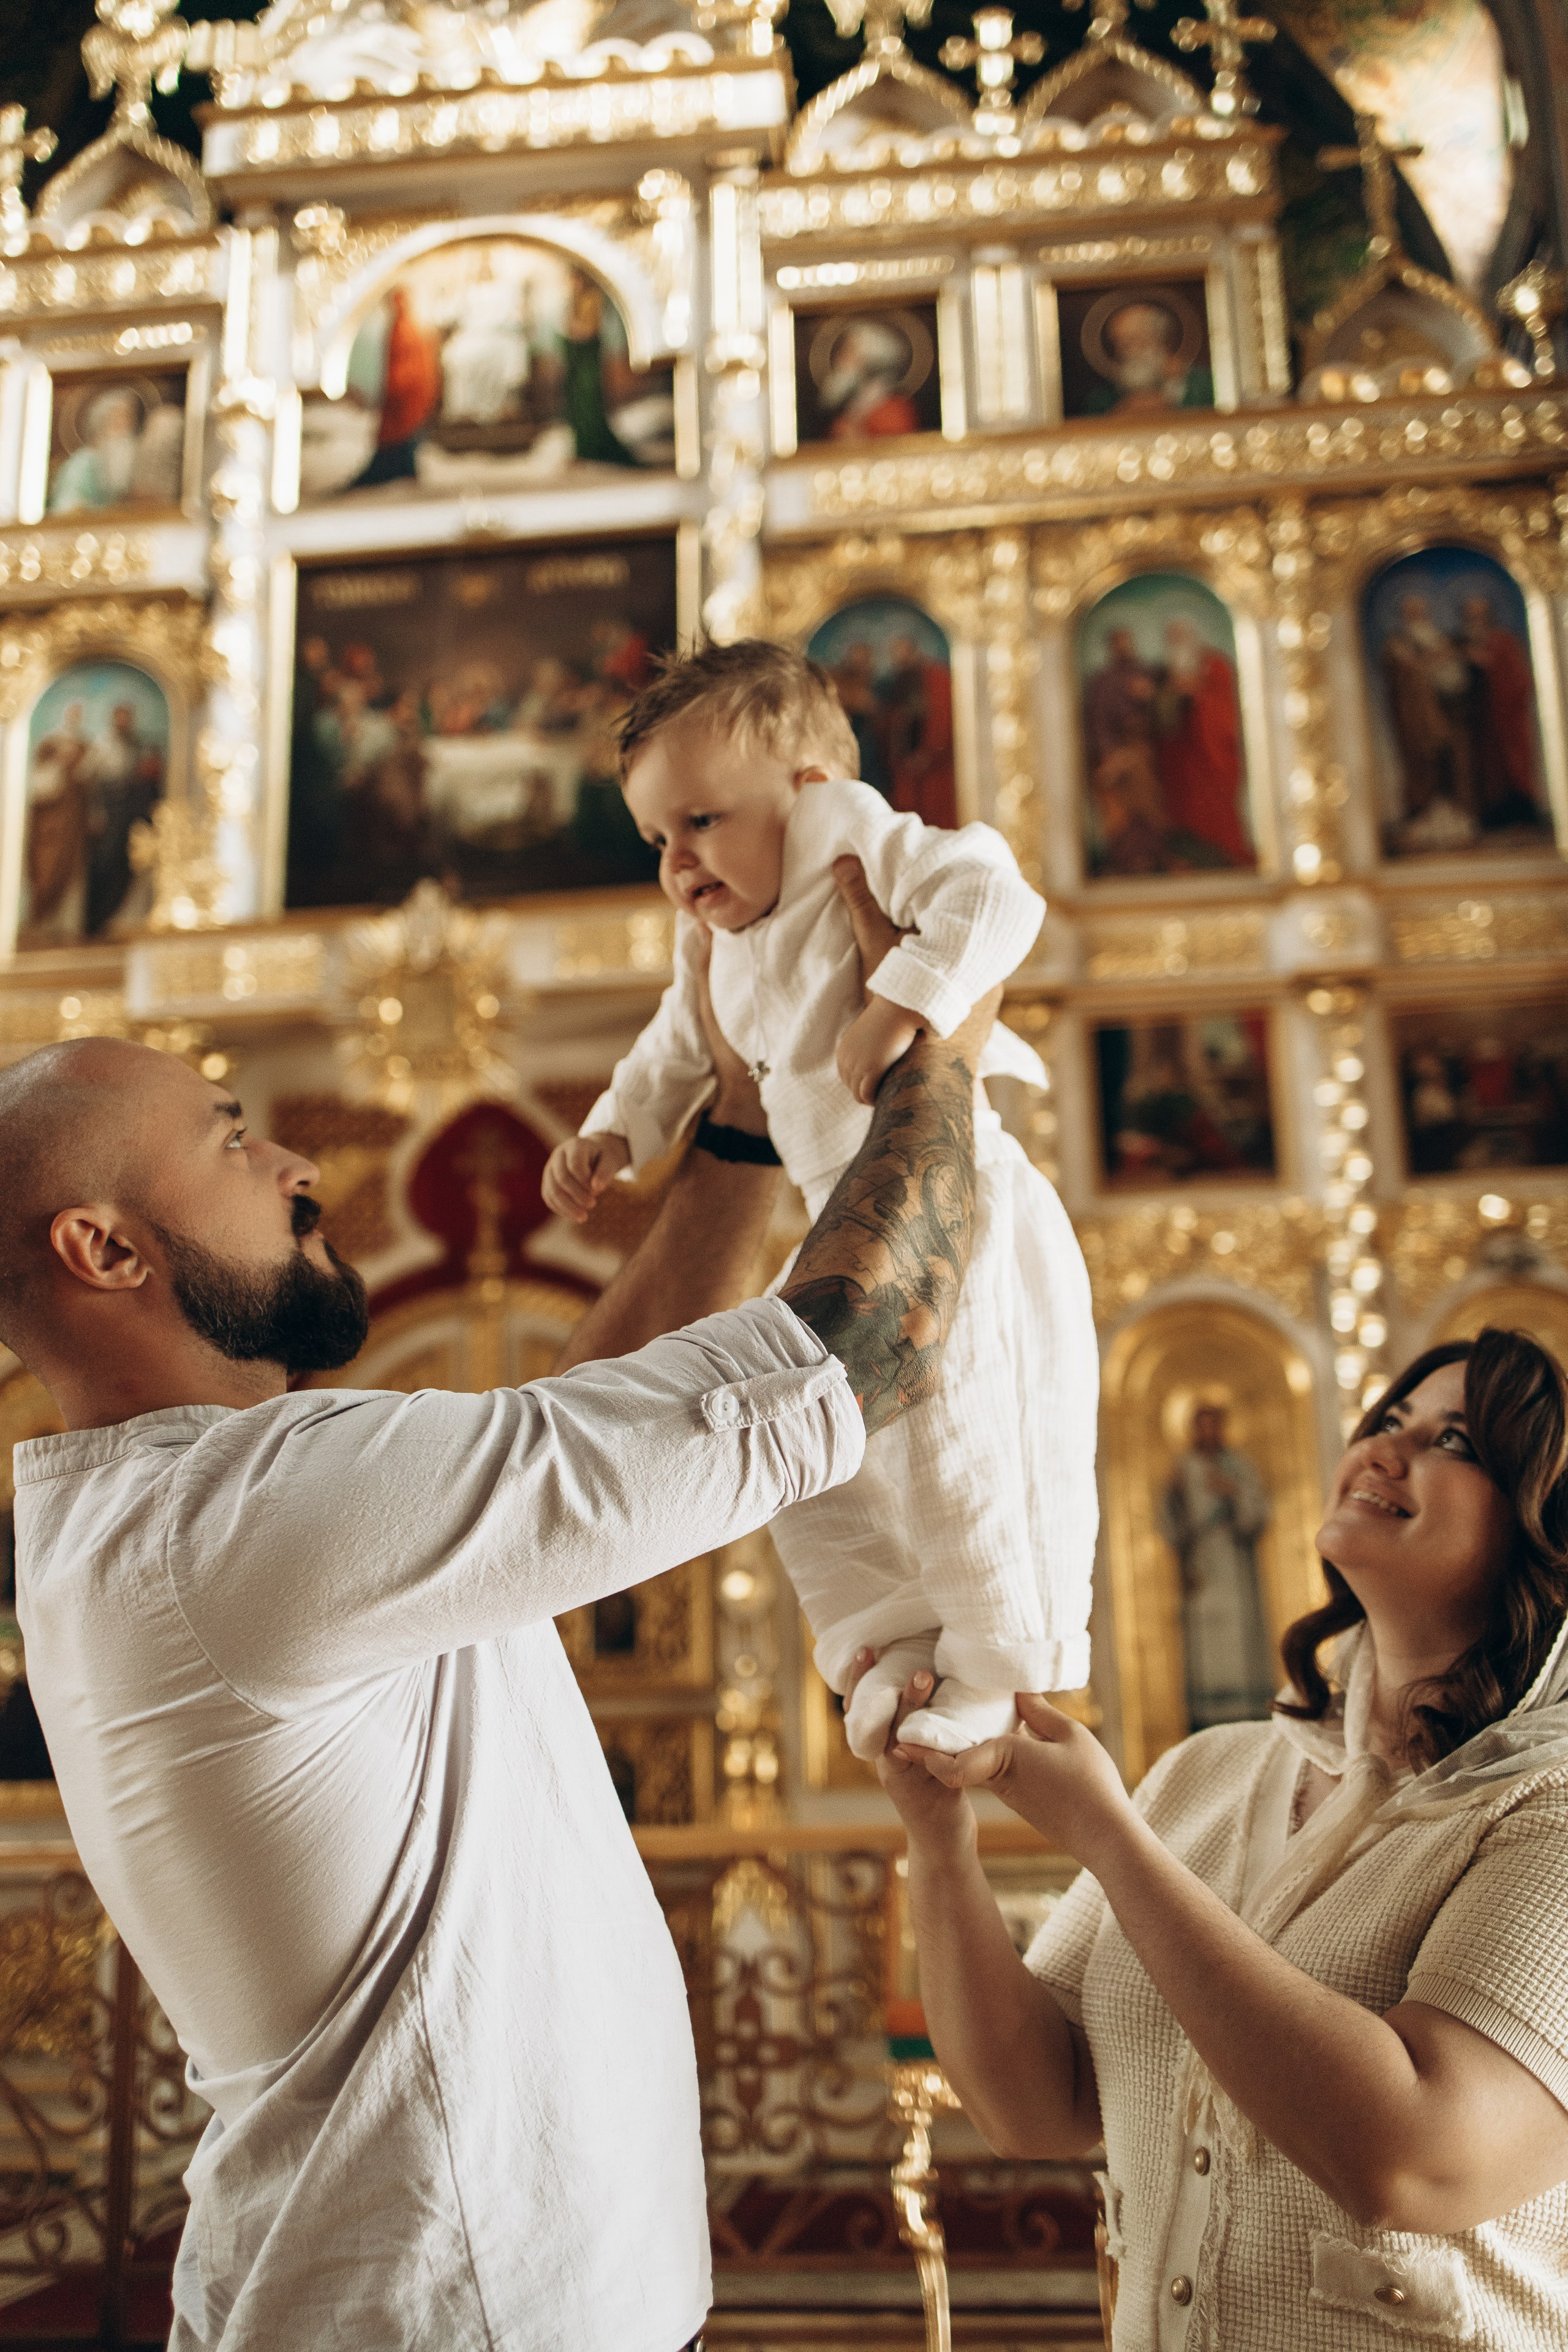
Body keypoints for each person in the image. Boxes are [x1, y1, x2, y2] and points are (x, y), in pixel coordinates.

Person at [1, 900, 992, 2352]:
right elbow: (858, 1343)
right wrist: (936, 1039)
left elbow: (564, 1428)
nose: (295, 1161)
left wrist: (730, 1120)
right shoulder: (241, 1519)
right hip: (450, 2311)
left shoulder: (190, 1510)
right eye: (227, 1139)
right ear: (103, 1246)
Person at [873, 1327, 1568, 2349]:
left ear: (1542, 1526)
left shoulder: (1543, 1811)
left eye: (1454, 1442)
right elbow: (1041, 2105)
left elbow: (1413, 2157)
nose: (1383, 1449)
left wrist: (1110, 1838)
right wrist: (938, 1837)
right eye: (1386, 1422)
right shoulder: (1213, 1772)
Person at [543, 640, 1098, 1760]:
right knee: (815, 1452)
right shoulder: (716, 939)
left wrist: (905, 999)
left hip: (959, 1208)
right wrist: (616, 1129)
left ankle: (997, 1661)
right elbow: (674, 1050)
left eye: (701, 820)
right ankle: (889, 1630)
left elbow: (993, 893)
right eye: (658, 838)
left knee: (961, 1436)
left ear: (807, 791)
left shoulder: (855, 840)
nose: (679, 861)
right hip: (838, 1226)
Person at [1159, 1400, 1275, 1730]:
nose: (1207, 1431)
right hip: (1201, 1569)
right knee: (1205, 1647)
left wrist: (1234, 1493)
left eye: (1214, 1424)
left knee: (1240, 1642)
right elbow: (1170, 1523)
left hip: (1237, 1570)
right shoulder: (1182, 1468)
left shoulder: (1238, 1466)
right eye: (1201, 1424)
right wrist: (1174, 1495)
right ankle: (1207, 1721)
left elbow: (1258, 1515)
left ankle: (1249, 1714)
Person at [1152, 617, 1251, 870]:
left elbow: (1228, 708)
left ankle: (1227, 853)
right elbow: (1165, 716)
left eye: (1180, 637)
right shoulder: (1167, 672)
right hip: (1184, 757)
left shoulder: (1215, 664)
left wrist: (1198, 695)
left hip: (1213, 753)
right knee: (1185, 807)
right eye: (1172, 639)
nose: (1176, 643)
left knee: (1218, 806)